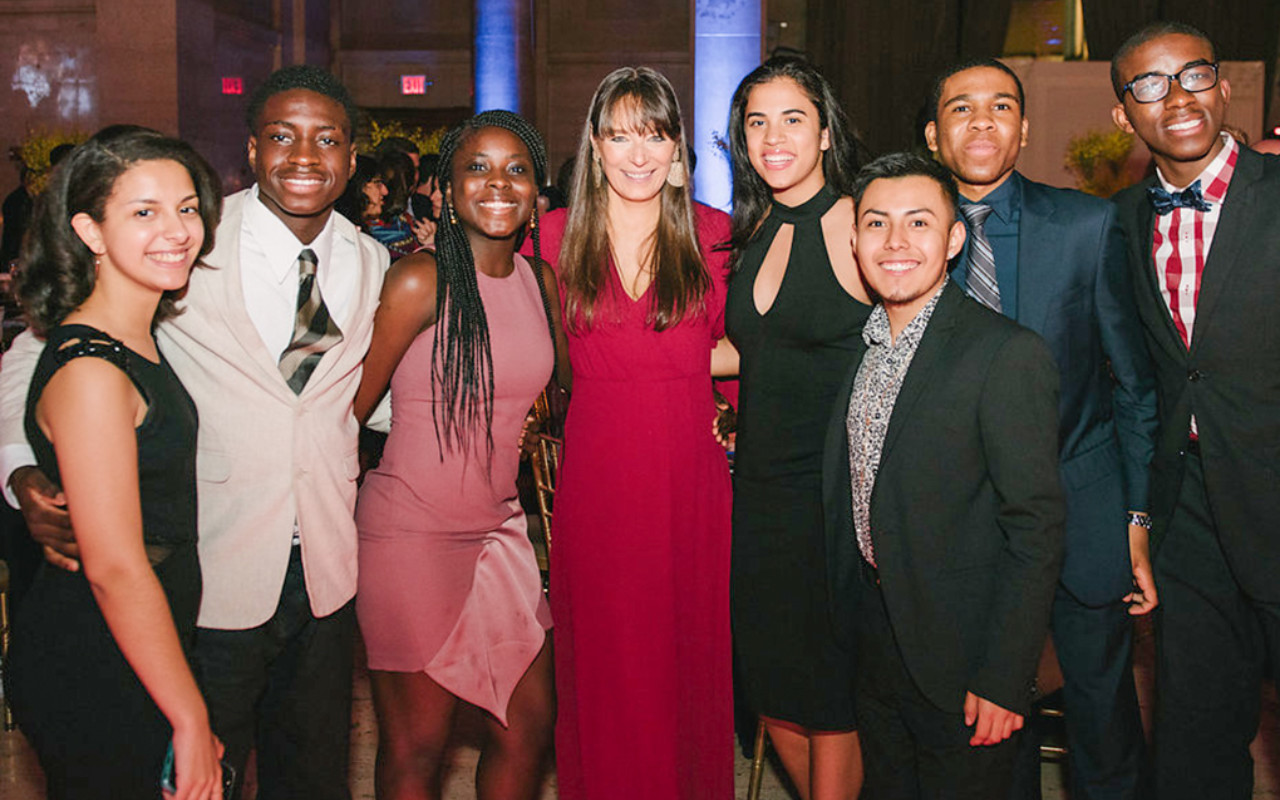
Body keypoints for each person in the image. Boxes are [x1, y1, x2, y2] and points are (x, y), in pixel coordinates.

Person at [0, 65, 388, 799]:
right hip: (211, 569)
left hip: (328, 571)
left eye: (326, 139)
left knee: (313, 777)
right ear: (250, 151)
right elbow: (44, 347)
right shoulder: (186, 245)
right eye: (280, 135)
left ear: (351, 158)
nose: (303, 156)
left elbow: (350, 398)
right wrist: (23, 464)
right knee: (200, 771)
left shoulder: (370, 261)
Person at [923, 58, 1158, 800]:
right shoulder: (903, 240)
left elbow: (1133, 383)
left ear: (1023, 131)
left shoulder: (1089, 227)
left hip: (1081, 519)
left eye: (1001, 106)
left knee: (1104, 730)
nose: (983, 120)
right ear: (934, 135)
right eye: (962, 108)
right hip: (966, 534)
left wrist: (1137, 515)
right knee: (992, 735)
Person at [824, 151, 1065, 799]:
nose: (895, 242)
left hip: (966, 661)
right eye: (877, 224)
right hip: (877, 640)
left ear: (955, 238)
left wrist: (1005, 675)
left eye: (919, 223)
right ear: (854, 240)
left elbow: (1035, 529)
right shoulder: (866, 347)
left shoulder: (1005, 354)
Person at [525, 66, 734, 800]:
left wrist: (701, 375)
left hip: (689, 475)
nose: (637, 152)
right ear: (595, 146)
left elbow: (750, 346)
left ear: (677, 146)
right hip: (599, 477)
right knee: (609, 661)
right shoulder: (551, 238)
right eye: (619, 134)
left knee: (683, 656)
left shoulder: (714, 236)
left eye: (653, 133)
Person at [352, 110, 568, 800]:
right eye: (477, 167)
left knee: (530, 725)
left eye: (516, 169)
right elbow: (344, 412)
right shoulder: (419, 280)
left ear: (538, 192)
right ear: (445, 189)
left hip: (500, 534)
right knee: (417, 749)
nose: (497, 183)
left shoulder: (544, 285)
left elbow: (565, 403)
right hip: (410, 537)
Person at [5, 126, 225, 799]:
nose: (177, 230)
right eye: (143, 212)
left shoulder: (134, 338)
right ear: (90, 232)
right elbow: (115, 568)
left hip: (139, 644)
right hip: (93, 658)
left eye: (187, 208)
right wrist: (189, 719)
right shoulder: (93, 368)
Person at [1109, 22, 1280, 800]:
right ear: (1124, 115)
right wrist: (1141, 518)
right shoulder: (1122, 223)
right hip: (1193, 523)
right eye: (1149, 84)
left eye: (1193, 75)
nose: (1176, 97)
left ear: (1225, 86)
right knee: (1195, 742)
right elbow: (1144, 383)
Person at [722, 55, 871, 800]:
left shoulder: (856, 220)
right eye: (757, 121)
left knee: (829, 694)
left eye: (792, 118)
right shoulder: (756, 228)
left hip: (833, 496)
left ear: (823, 133)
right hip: (759, 495)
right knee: (771, 683)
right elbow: (753, 345)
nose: (772, 137)